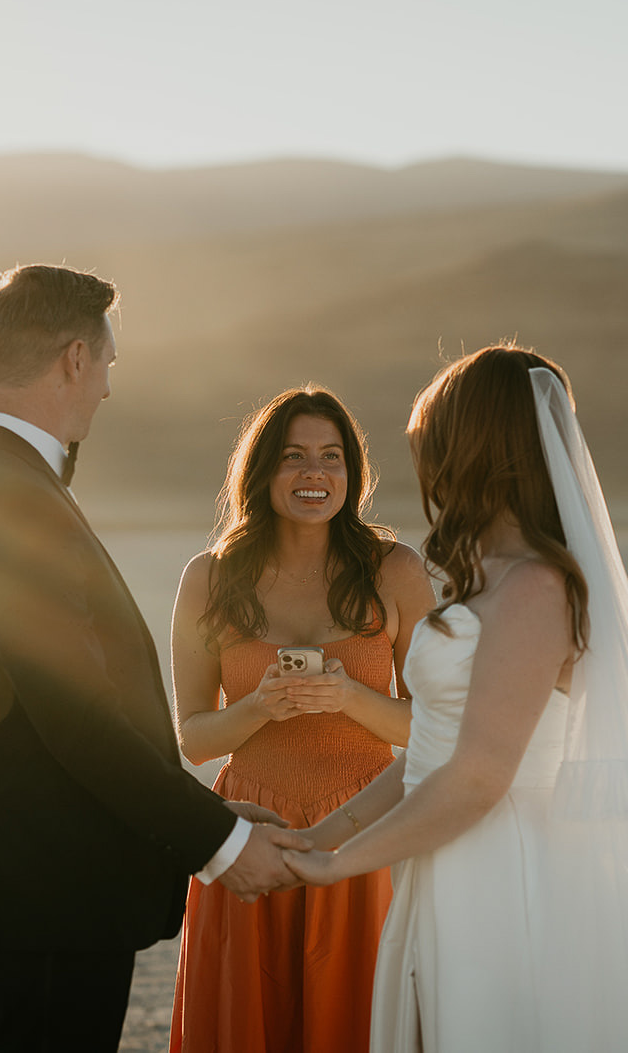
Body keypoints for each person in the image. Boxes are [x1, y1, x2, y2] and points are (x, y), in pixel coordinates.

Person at [285, 345, 628, 1051]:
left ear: (474, 450)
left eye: (434, 446)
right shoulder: (490, 580)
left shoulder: (536, 588)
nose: (428, 468)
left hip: (509, 874)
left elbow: (478, 776)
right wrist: (314, 839)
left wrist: (336, 866)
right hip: (449, 861)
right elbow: (428, 755)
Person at [0, 264, 309, 1053]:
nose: (105, 387)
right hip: (47, 895)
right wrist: (220, 845)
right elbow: (76, 718)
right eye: (105, 363)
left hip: (46, 885)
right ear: (73, 358)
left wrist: (201, 813)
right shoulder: (12, 494)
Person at [167, 387, 435, 1052]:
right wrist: (259, 707)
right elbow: (193, 737)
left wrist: (351, 700)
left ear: (353, 473)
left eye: (331, 457)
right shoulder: (208, 578)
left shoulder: (395, 570)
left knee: (357, 1017)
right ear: (261, 472)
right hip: (249, 830)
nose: (315, 473)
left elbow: (437, 728)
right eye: (294, 456)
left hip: (368, 829)